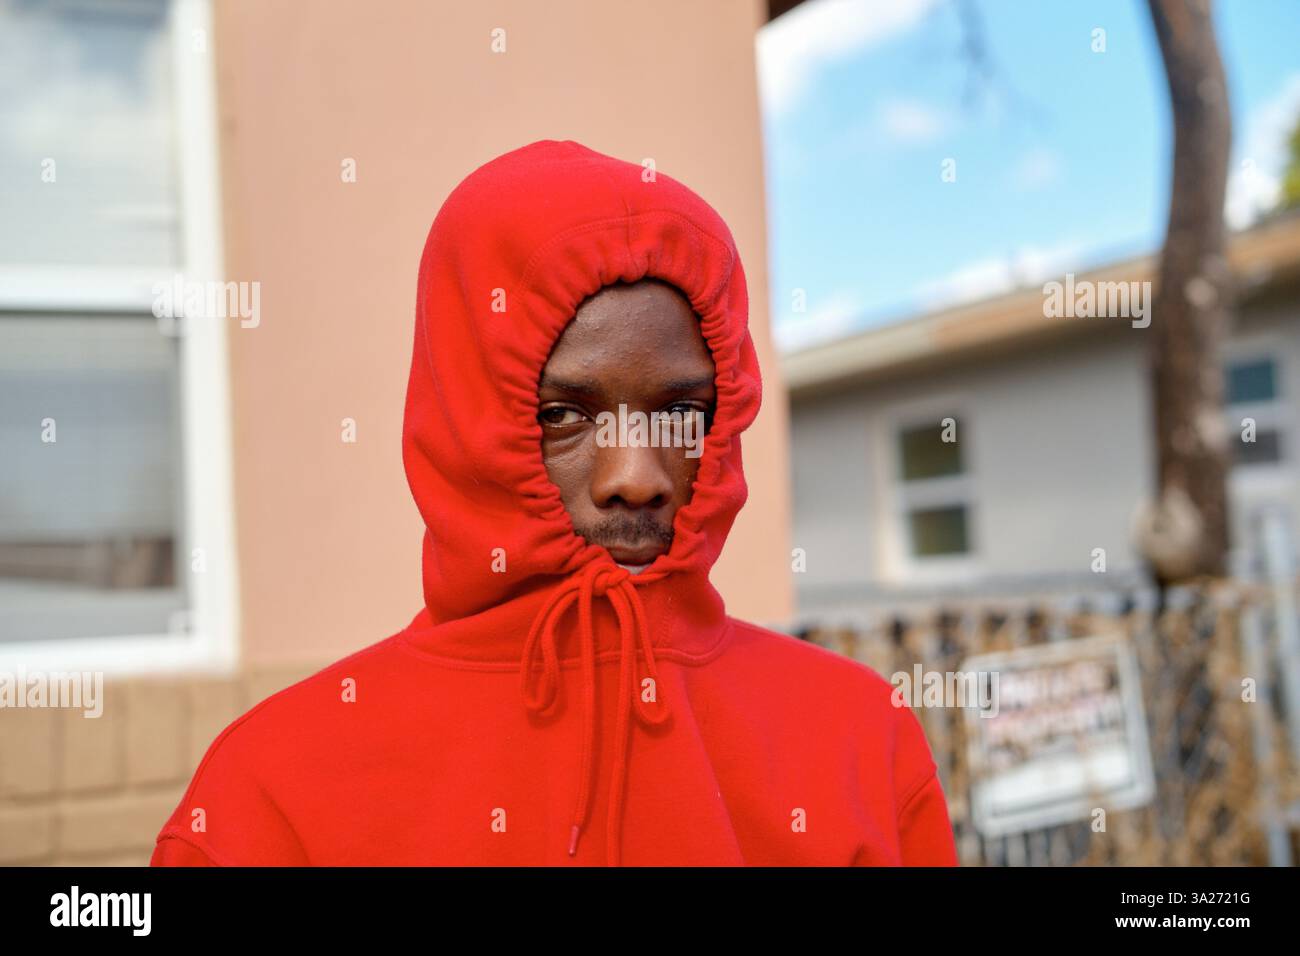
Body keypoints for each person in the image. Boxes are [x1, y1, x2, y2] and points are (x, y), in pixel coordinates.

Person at [151, 139, 958, 866]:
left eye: (681, 411)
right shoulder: (273, 790)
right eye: (563, 414)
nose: (636, 475)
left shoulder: (860, 736)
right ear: (466, 415)